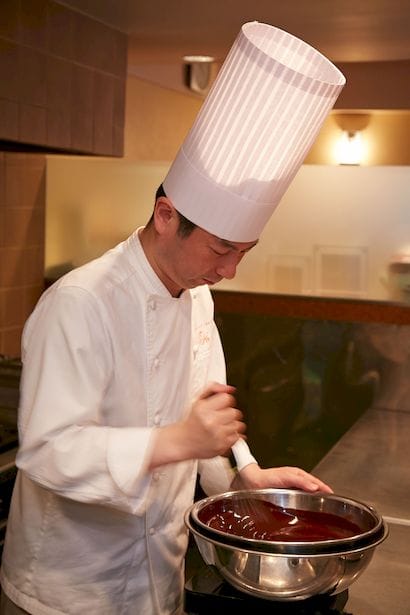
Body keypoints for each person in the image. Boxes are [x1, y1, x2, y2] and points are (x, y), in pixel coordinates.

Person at [1, 21, 346, 615]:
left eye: (244, 252)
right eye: (221, 249)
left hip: (159, 577)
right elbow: (47, 450)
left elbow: (203, 417)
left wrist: (244, 474)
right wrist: (174, 441)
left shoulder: (196, 294)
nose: (230, 270)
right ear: (166, 215)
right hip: (66, 591)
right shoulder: (81, 302)